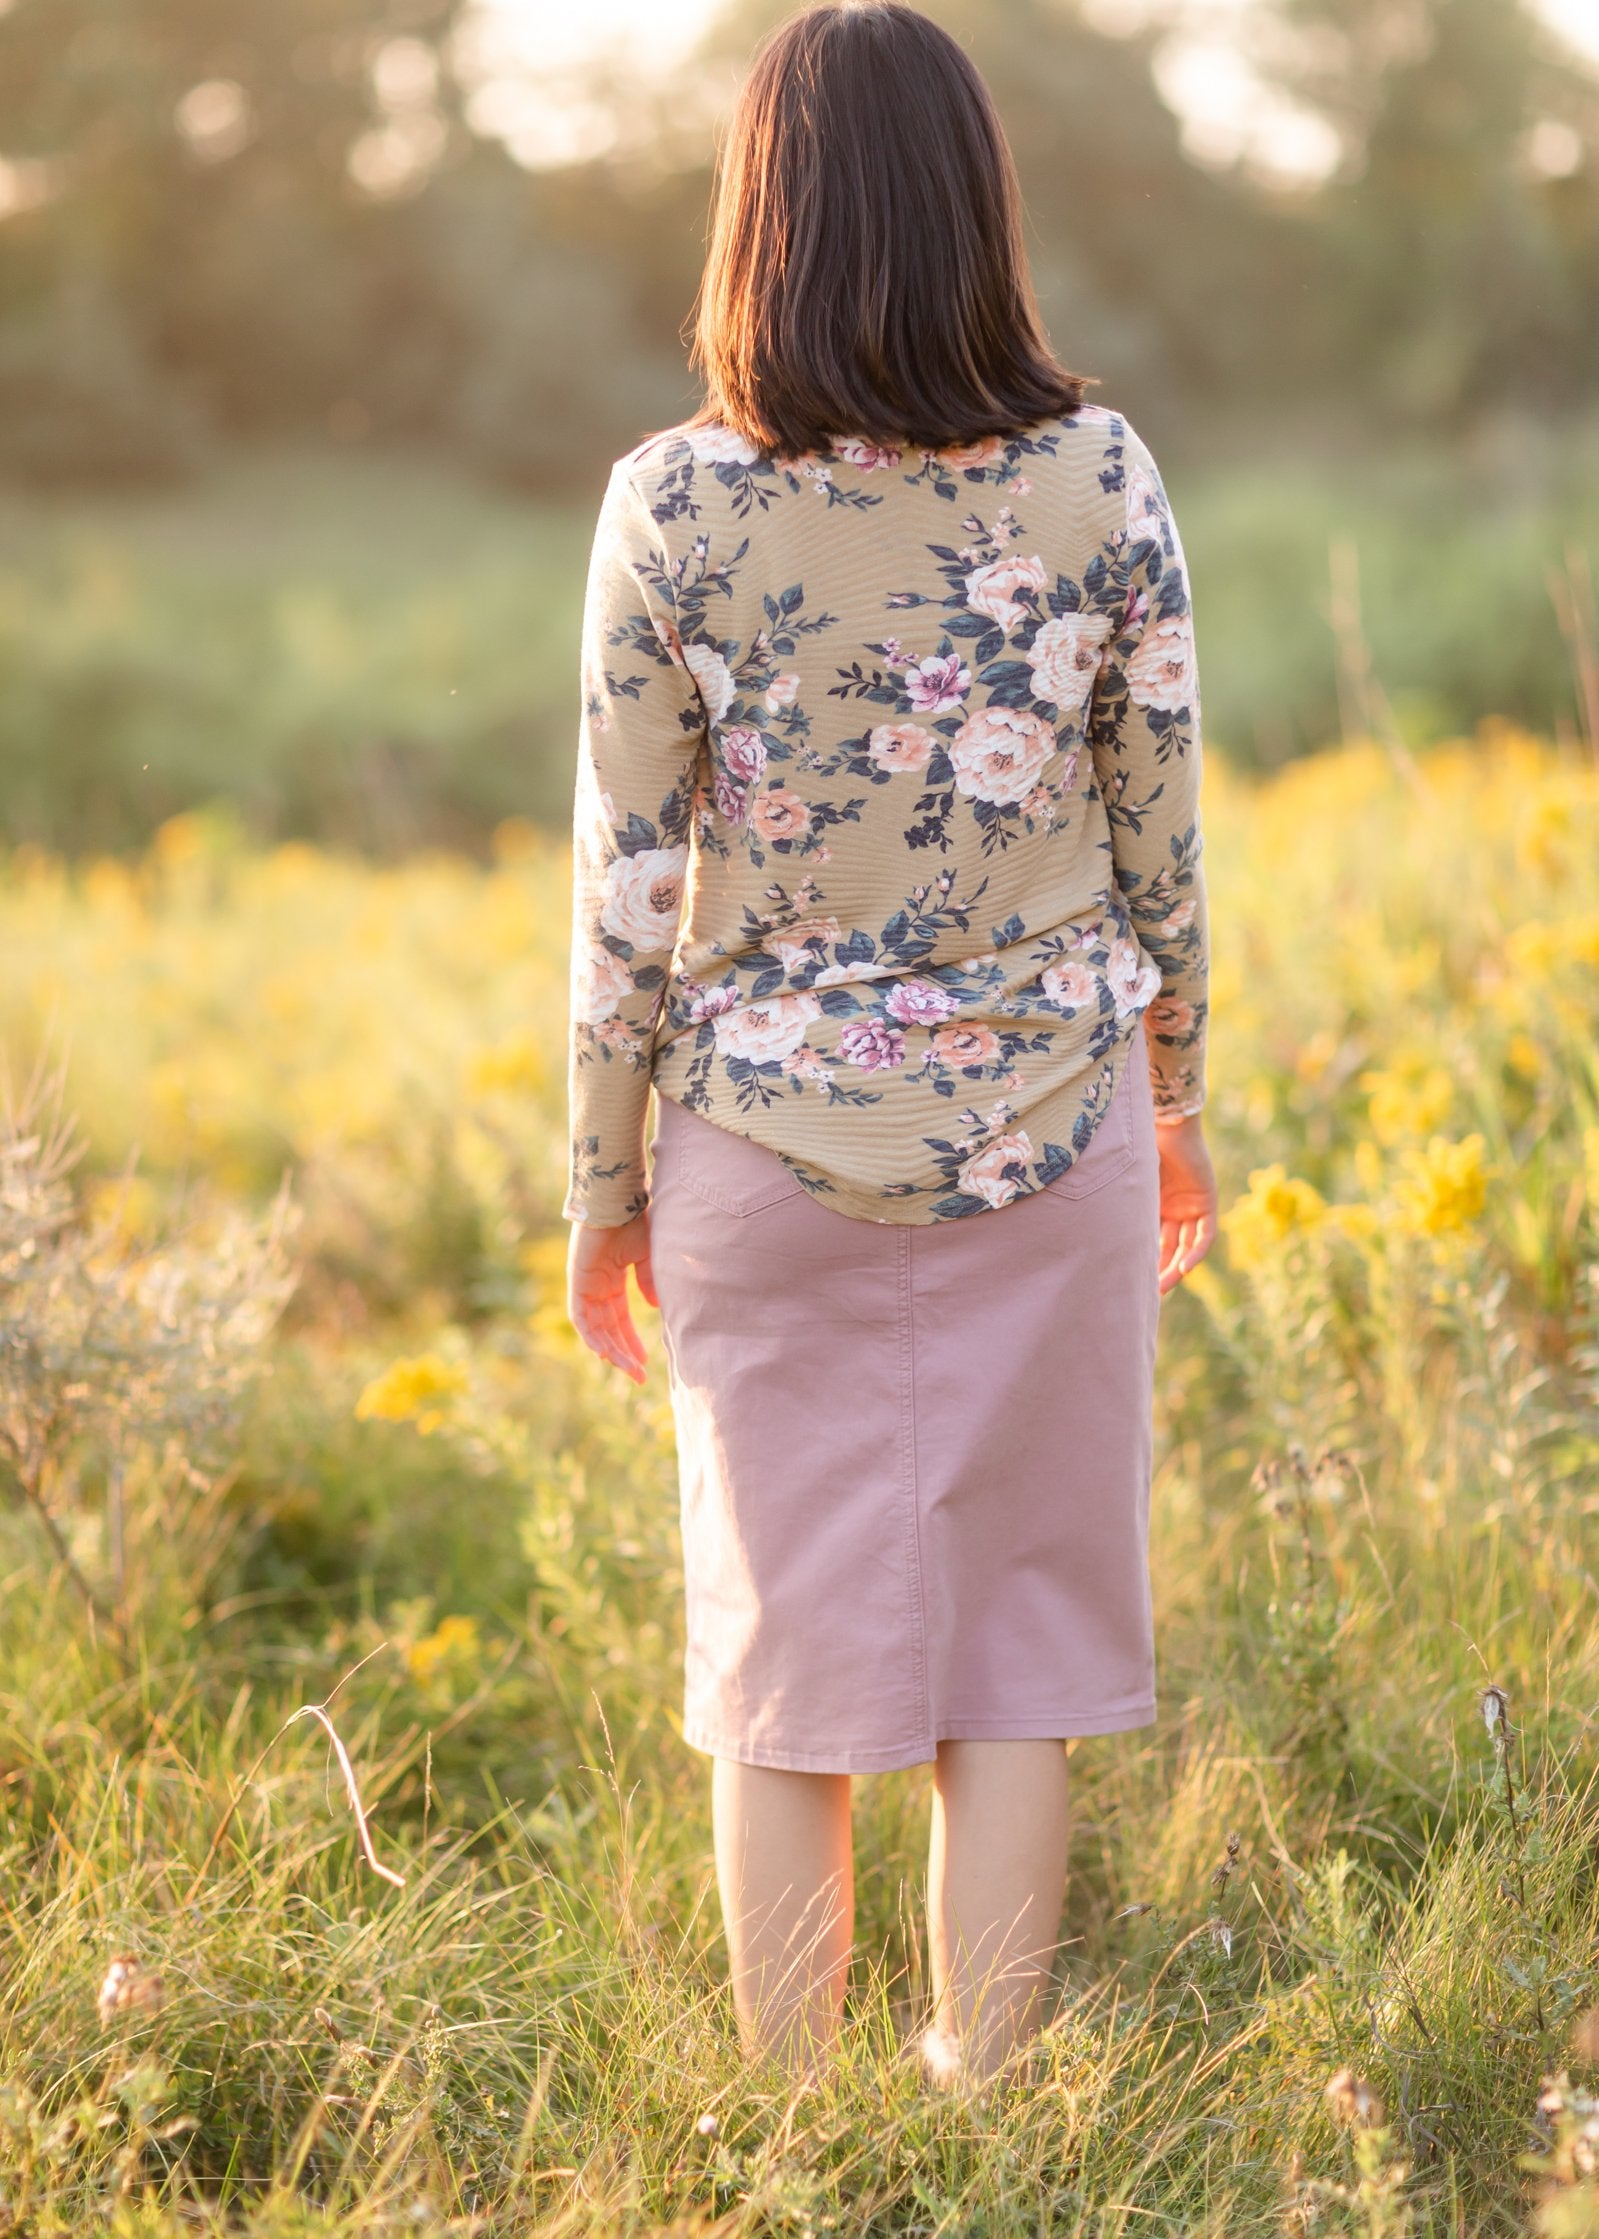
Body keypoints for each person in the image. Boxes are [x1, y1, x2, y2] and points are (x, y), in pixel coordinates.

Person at [563, 0, 1217, 2091]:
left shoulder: (669, 508)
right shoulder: (1095, 476)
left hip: (753, 1145)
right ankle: (986, 2097)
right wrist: (1176, 1096)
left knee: (784, 1660)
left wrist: (601, 1190)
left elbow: (617, 896)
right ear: (973, 210)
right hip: (1053, 1126)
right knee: (1008, 1647)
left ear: (760, 214)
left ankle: (792, 2130)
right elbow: (1160, 842)